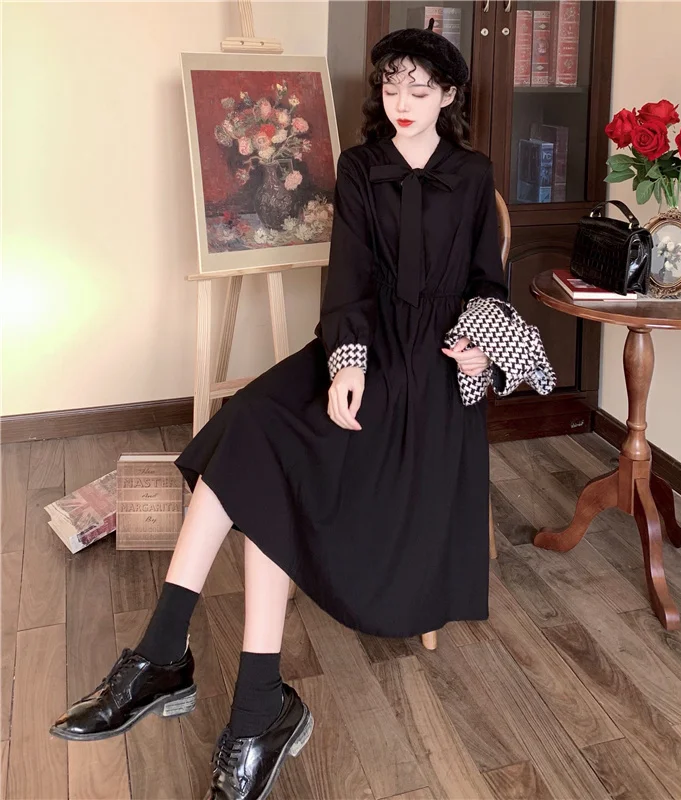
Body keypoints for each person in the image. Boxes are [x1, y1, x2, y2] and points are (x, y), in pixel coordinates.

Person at [48, 20, 548, 800]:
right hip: (362, 347)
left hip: (431, 370)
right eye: (391, 86)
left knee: (267, 460)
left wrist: (481, 348)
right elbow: (345, 281)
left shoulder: (474, 174)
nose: (403, 101)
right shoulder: (361, 167)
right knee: (253, 423)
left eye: (421, 89)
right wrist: (347, 361)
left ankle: (199, 679)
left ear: (449, 95)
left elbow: (489, 285)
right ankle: (184, 666)